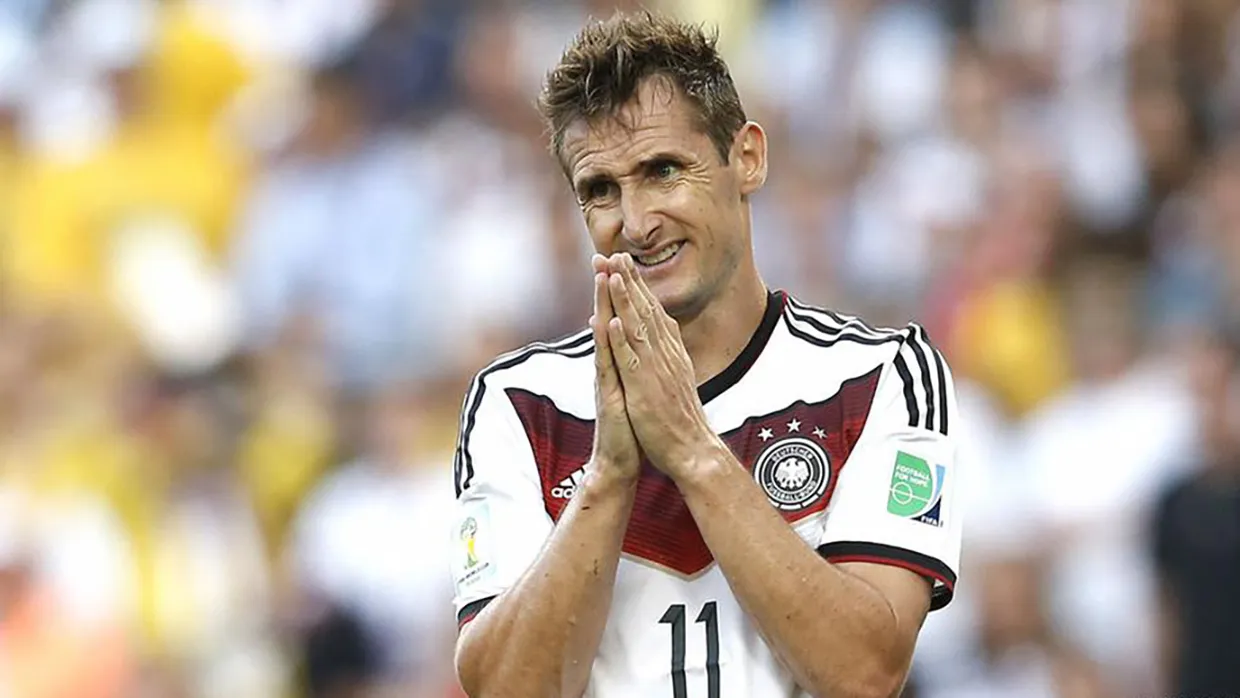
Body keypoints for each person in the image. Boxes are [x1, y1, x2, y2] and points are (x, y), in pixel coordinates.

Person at [448, 11, 962, 697]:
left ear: (746, 157)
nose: (636, 223)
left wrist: (692, 450)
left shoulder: (880, 375)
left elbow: (865, 673)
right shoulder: (520, 403)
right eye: (601, 190)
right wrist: (608, 476)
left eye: (663, 171)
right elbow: (505, 690)